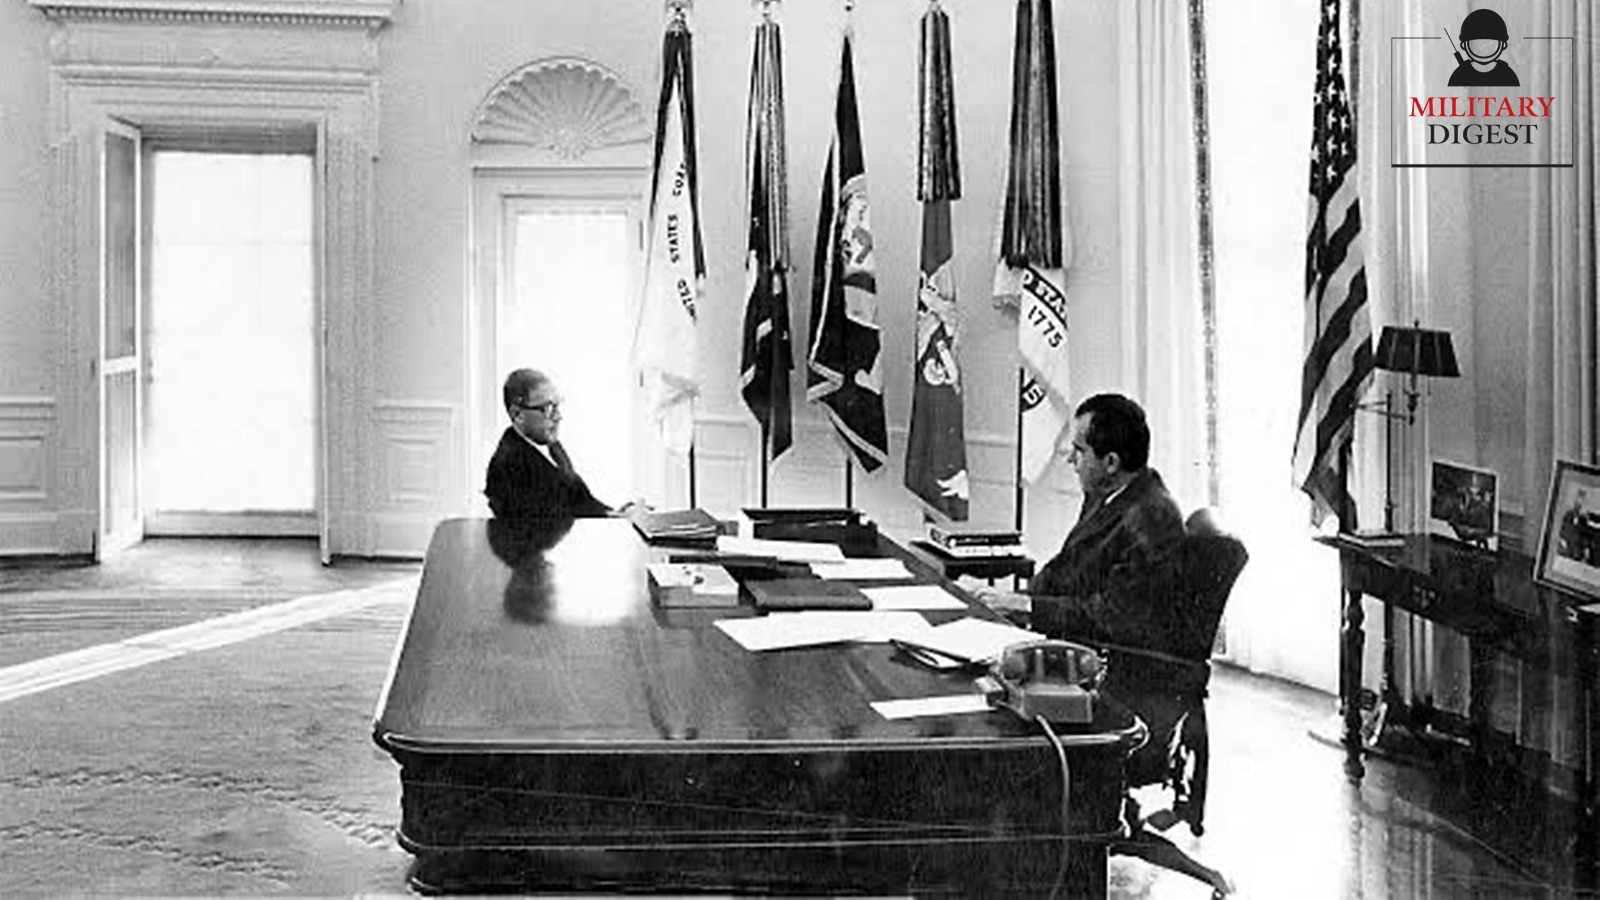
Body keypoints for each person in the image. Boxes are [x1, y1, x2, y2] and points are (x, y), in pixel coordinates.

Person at [976, 393, 1185, 642]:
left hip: (1109, 659)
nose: (1070, 459)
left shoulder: (1153, 517)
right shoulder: (1104, 492)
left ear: (1110, 462)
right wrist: (1007, 600)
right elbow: (1063, 568)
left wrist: (1026, 607)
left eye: (1079, 450)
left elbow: (1113, 616)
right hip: (1070, 638)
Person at [484, 368, 619, 520]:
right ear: (518, 414)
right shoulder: (509, 465)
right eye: (547, 409)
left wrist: (620, 514)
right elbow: (557, 522)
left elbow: (582, 502)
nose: (558, 416)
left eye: (557, 406)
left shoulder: (551, 446)